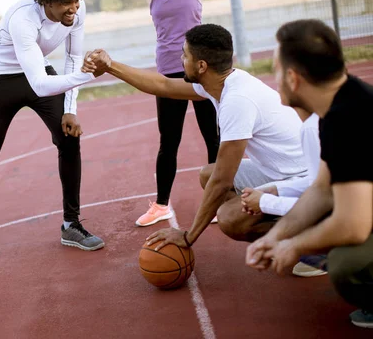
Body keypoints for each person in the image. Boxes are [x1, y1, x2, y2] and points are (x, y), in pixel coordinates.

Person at [82, 23, 307, 250]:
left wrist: (188, 237)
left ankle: (309, 239)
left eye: (185, 55)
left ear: (201, 66)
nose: (181, 60)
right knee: (207, 174)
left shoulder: (237, 101)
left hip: (307, 182)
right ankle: (285, 221)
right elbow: (164, 84)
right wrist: (110, 66)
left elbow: (222, 181)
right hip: (283, 173)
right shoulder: (224, 82)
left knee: (229, 218)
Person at [0, 0, 105, 263]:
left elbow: (73, 58)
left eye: (78, 0)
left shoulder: (76, 13)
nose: (74, 8)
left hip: (39, 72)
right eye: (67, 2)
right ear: (46, 2)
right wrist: (91, 75)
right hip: (1, 81)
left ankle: (71, 225)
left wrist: (70, 109)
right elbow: (41, 85)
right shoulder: (22, 18)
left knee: (69, 138)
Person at [246, 19, 373, 328]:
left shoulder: (350, 118)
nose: (273, 79)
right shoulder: (340, 104)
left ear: (293, 78)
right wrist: (277, 235)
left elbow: (353, 226)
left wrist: (294, 246)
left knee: (348, 264)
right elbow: (321, 189)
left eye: (275, 70)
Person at [120, 0, 223, 226]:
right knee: (169, 141)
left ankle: (216, 201)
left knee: (212, 137)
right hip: (167, 74)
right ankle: (162, 204)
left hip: (200, 71)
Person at [241, 108, 327, 277]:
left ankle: (325, 251)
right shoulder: (328, 116)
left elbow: (325, 200)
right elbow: (323, 182)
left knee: (346, 264)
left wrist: (265, 202)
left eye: (282, 80)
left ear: (295, 82)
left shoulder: (313, 126)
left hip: (359, 217)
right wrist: (276, 190)